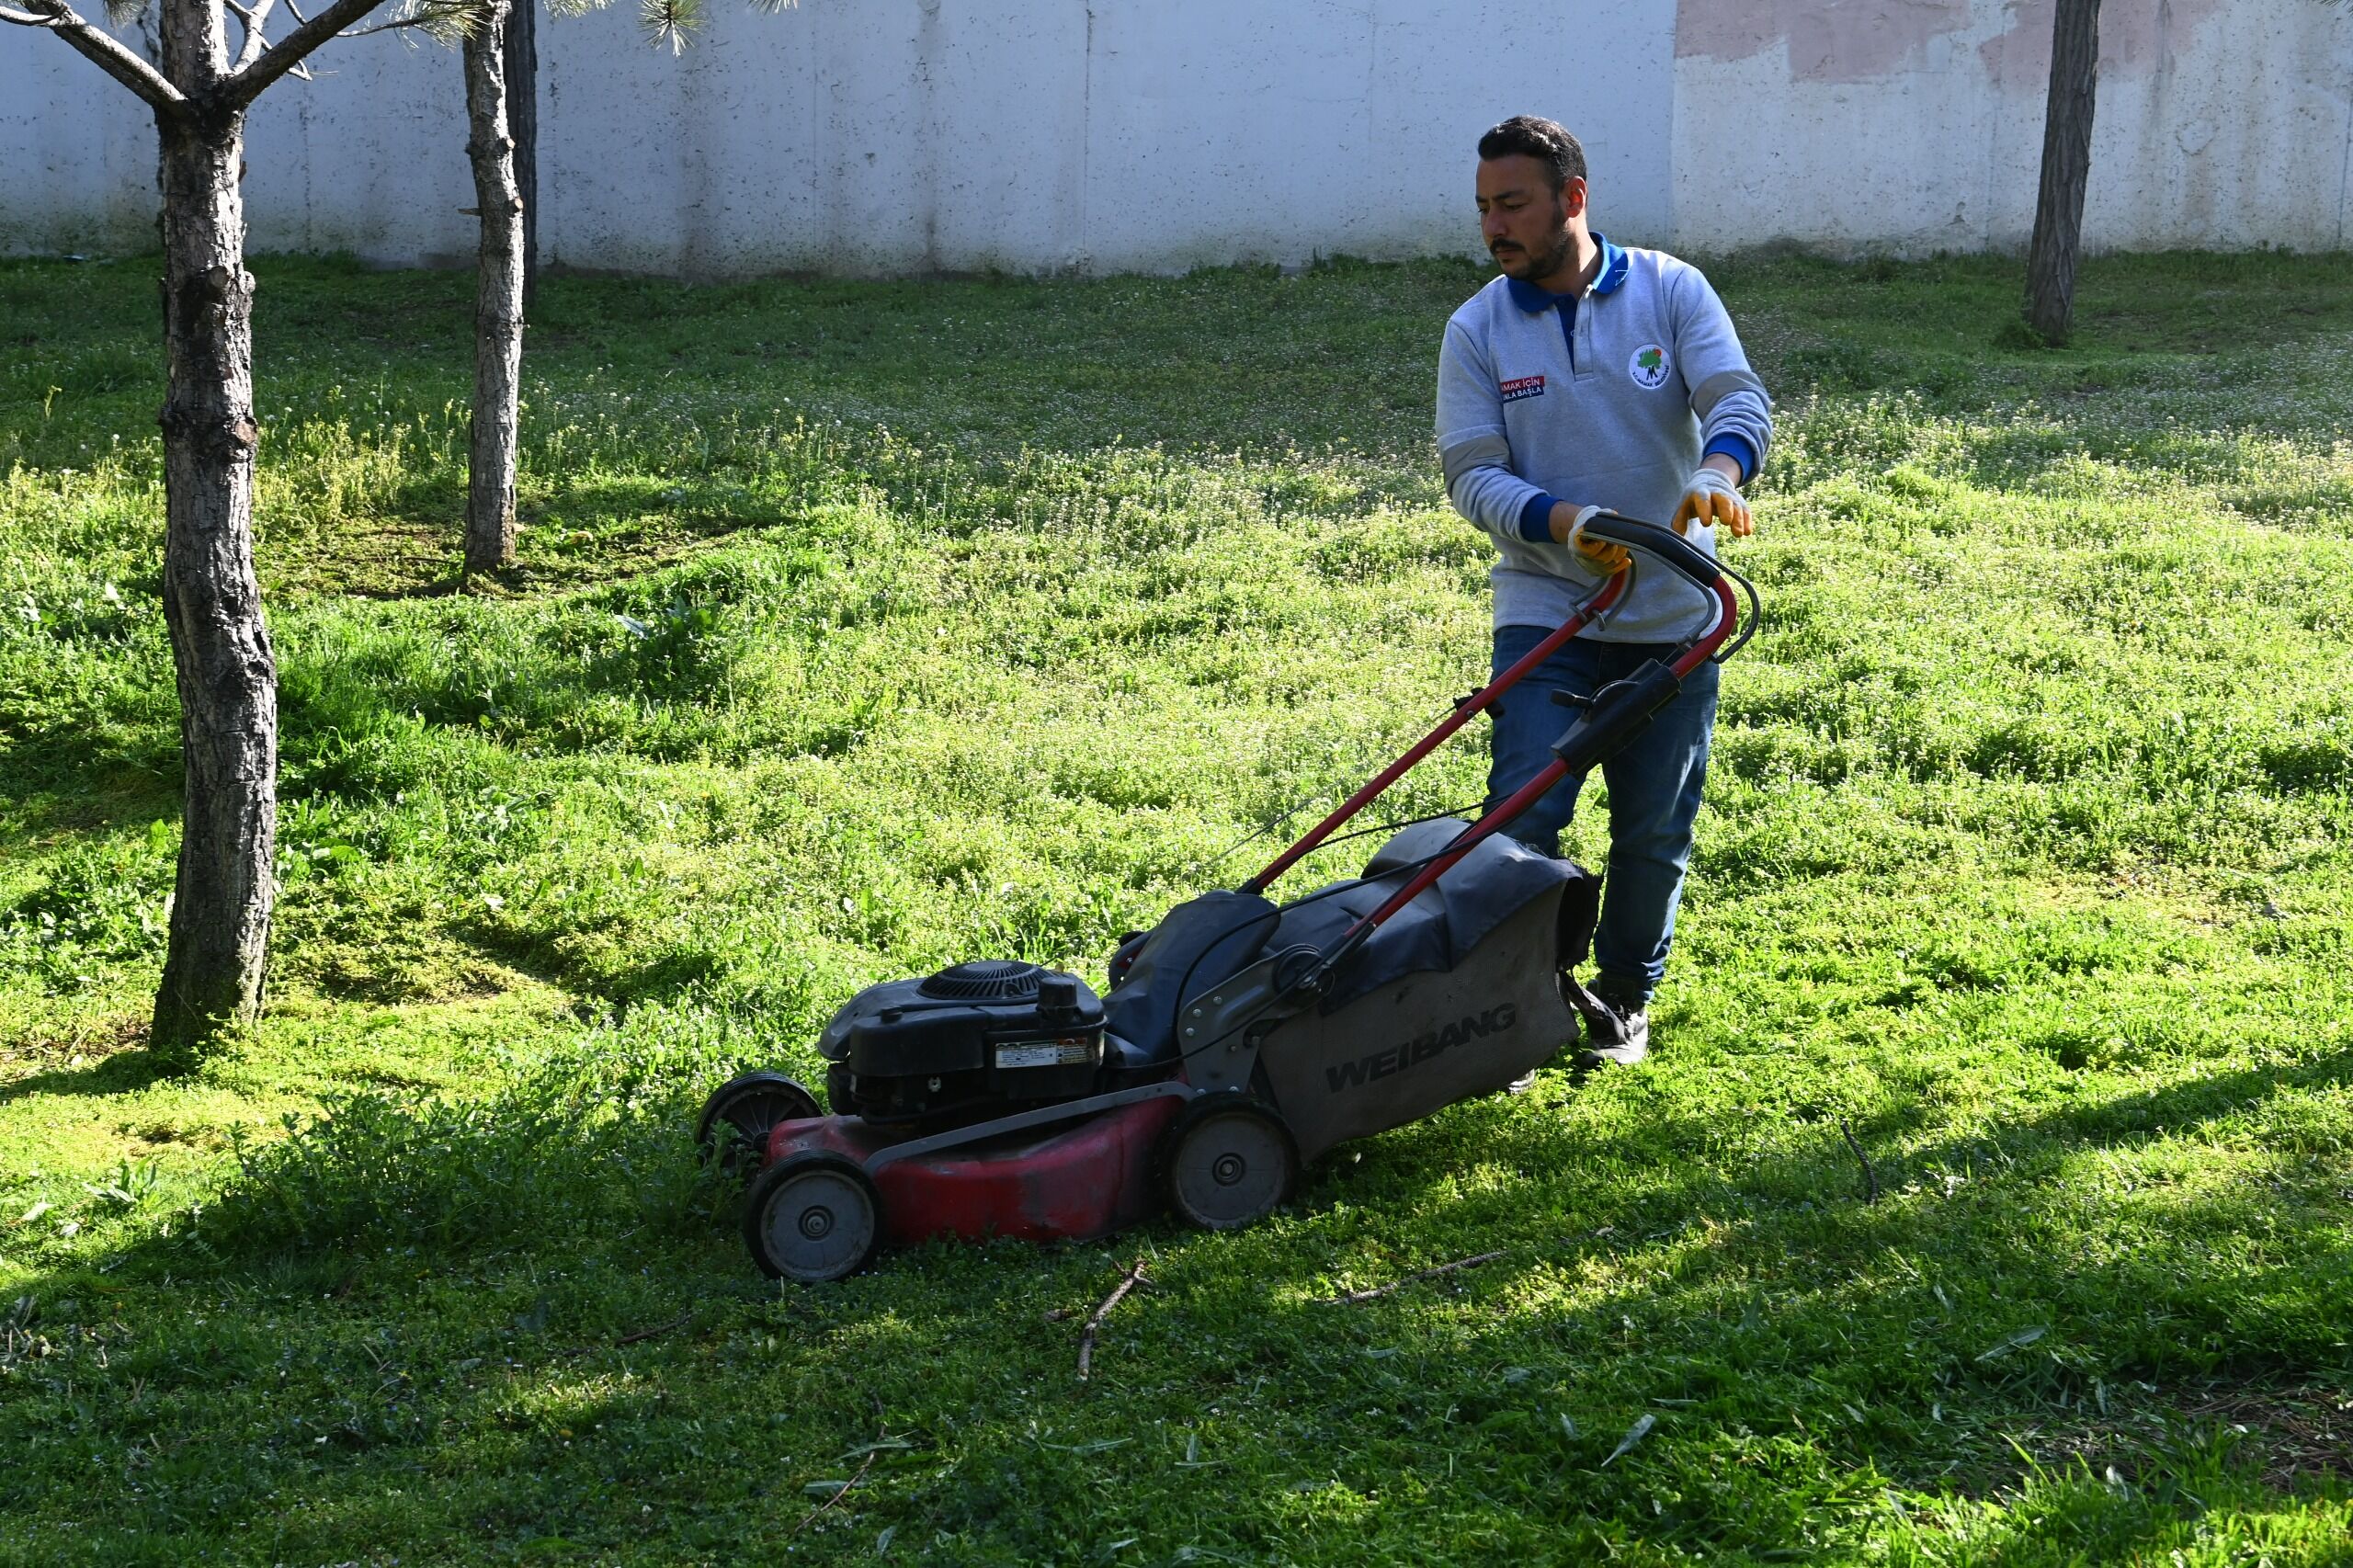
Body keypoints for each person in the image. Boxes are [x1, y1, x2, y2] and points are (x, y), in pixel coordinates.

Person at [1436, 114, 1772, 1063]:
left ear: (1571, 199)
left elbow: (1736, 399)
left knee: (1653, 828)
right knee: (1524, 812)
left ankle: (1622, 1001)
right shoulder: (1477, 328)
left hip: (1673, 616)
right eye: (1483, 209)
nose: (1494, 227)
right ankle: (1511, 1010)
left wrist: (1719, 472)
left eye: (1513, 205)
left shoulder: (1670, 291)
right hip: (1548, 611)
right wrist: (1564, 524)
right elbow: (1470, 474)